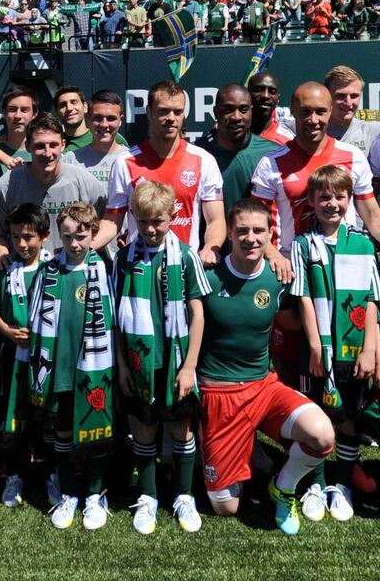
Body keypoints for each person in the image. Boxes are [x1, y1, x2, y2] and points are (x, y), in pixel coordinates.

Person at [197, 200, 336, 536]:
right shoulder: (207, 276)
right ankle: (240, 450)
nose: (251, 238)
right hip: (219, 394)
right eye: (242, 230)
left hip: (263, 387)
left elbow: (290, 318)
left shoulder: (279, 277)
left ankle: (283, 486)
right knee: (226, 507)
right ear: (230, 234)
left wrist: (319, 342)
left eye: (259, 231)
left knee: (322, 434)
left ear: (271, 234)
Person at [114, 182, 209, 535]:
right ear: (133, 218)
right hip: (138, 362)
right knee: (144, 429)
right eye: (143, 221)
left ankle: (184, 495)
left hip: (175, 360)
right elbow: (115, 318)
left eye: (158, 221)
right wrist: (123, 365)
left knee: (181, 429)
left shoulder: (185, 256)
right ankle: (148, 496)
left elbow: (197, 314)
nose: (151, 229)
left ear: (173, 216)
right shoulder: (124, 259)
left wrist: (189, 366)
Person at [15, 203, 117, 530]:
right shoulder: (48, 271)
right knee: (62, 428)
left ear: (93, 234)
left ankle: (95, 494)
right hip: (58, 365)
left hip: (94, 367)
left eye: (81, 236)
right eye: (68, 236)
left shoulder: (102, 269)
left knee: (95, 427)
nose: (74, 243)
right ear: (59, 235)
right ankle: (69, 493)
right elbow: (35, 319)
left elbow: (113, 321)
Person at [289, 166, 379, 523]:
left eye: (340, 196)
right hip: (318, 349)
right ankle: (314, 484)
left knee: (350, 418)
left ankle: (340, 485)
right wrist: (314, 344)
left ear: (350, 200)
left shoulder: (362, 243)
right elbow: (304, 297)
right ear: (312, 201)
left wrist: (369, 348)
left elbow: (372, 300)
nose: (332, 203)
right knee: (316, 416)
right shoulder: (302, 244)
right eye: (324, 197)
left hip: (353, 350)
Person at [95, 80, 225, 264]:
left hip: (185, 266)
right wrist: (83, 248)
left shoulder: (204, 161)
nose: (171, 118)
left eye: (178, 112)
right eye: (163, 111)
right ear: (149, 112)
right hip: (139, 266)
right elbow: (112, 221)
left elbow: (215, 220)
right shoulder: (125, 162)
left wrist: (211, 248)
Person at [251, 82, 380, 253]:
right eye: (305, 111)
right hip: (291, 263)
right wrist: (274, 257)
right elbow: (257, 223)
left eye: (320, 112)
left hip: (343, 259)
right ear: (293, 111)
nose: (313, 120)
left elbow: (372, 215)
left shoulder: (353, 156)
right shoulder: (271, 163)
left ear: (330, 111)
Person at [0, 203, 51, 509]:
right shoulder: (5, 269)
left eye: (28, 237)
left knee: (45, 416)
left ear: (44, 236)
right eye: (15, 237)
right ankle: (14, 474)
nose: (22, 244)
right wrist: (8, 332)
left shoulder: (54, 268)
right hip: (13, 356)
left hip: (46, 357)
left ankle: (51, 474)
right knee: (14, 415)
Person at [0, 113, 107, 259]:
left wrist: (81, 251)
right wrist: (3, 256)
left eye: (53, 145)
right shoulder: (6, 187)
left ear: (63, 145)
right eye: (40, 146)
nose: (47, 153)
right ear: (27, 146)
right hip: (26, 268)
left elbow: (104, 224)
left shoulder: (86, 183)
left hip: (73, 267)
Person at [197, 84, 277, 219]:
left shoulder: (271, 154)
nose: (236, 117)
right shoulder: (197, 154)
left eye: (243, 109)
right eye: (228, 109)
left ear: (251, 111)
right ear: (215, 112)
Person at [61, 90, 130, 186]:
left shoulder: (132, 160)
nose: (104, 124)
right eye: (98, 118)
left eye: (111, 118)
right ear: (88, 119)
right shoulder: (70, 160)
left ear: (120, 120)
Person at [246, 72, 295, 146]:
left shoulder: (288, 142)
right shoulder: (232, 134)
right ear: (247, 94)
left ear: (278, 99)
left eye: (272, 91)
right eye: (258, 89)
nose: (265, 96)